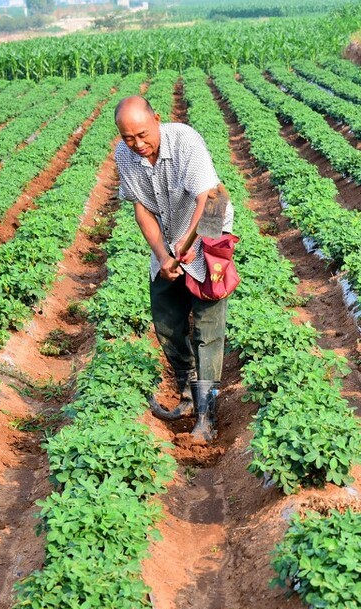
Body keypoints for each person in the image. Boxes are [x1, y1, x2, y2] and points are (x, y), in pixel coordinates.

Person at [113, 95, 234, 442]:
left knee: (207, 324)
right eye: (127, 137)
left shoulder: (185, 141)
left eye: (142, 134)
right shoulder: (126, 156)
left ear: (157, 119)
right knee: (166, 319)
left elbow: (207, 198)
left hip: (209, 223)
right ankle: (186, 393)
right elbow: (142, 209)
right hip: (169, 236)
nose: (136, 144)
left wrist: (190, 247)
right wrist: (164, 255)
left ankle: (207, 417)